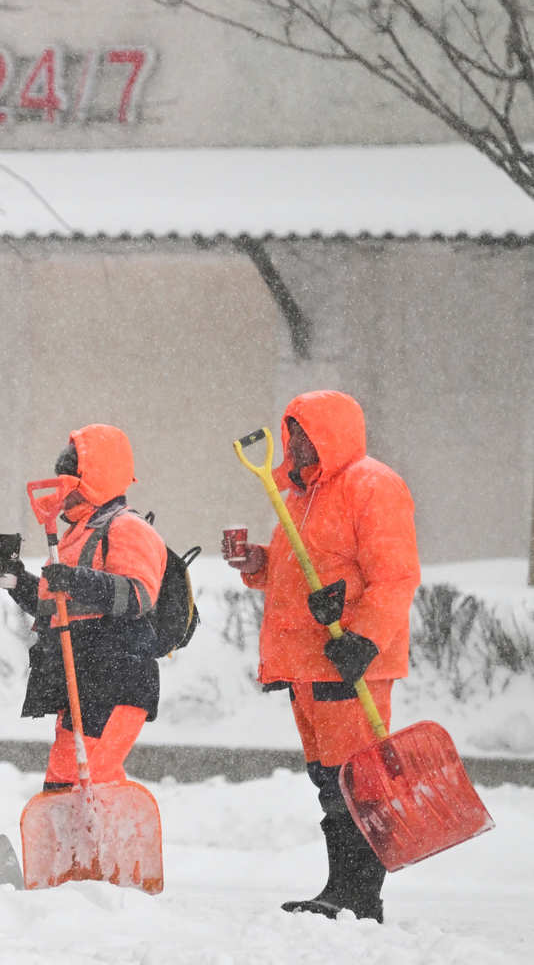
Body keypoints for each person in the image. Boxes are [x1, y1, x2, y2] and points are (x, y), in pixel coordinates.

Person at [227, 390, 419, 923]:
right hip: (308, 663)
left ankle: (360, 896)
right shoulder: (301, 496)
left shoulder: (372, 486)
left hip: (350, 659)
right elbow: (300, 572)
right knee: (330, 781)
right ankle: (342, 889)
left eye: (303, 434)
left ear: (331, 435)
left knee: (357, 781)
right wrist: (259, 563)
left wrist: (364, 638)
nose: (293, 444)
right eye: (290, 433)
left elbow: (396, 576)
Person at [0, 423, 166, 793]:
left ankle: (104, 833)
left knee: (81, 785)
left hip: (115, 678)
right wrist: (18, 582)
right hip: (81, 682)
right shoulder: (77, 535)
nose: (60, 489)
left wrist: (76, 580)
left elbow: (138, 596)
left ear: (93, 479)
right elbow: (58, 607)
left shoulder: (127, 528)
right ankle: (94, 834)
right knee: (70, 786)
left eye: (68, 480)